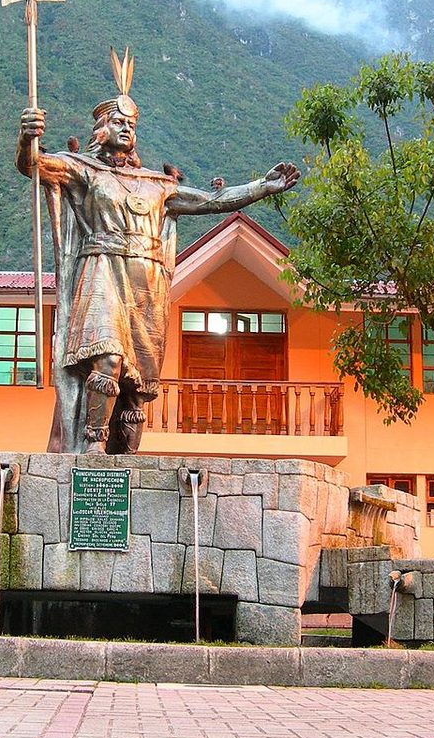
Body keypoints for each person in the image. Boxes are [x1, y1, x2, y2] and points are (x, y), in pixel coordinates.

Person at [17, 48, 299, 454]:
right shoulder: (85, 170)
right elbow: (35, 165)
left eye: (131, 123)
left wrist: (261, 187)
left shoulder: (157, 184)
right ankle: (93, 447)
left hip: (146, 282)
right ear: (99, 129)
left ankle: (127, 456)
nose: (126, 128)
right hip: (103, 271)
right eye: (117, 121)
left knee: (137, 384)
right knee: (107, 359)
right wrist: (27, 136)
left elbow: (210, 200)